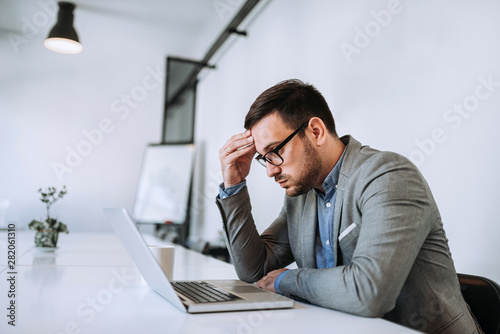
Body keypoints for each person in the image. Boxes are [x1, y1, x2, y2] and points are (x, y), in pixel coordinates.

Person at [215, 79, 482, 333]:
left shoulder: (389, 176)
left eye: (276, 151)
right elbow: (254, 269)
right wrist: (234, 183)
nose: (270, 171)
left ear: (316, 131)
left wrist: (287, 279)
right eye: (265, 158)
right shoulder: (301, 196)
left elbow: (369, 292)